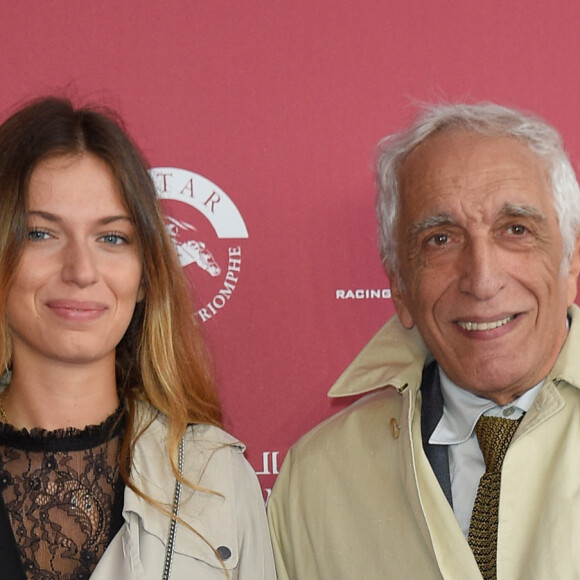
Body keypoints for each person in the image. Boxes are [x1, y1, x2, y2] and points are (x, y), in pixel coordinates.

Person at [268, 102, 580, 579]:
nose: (482, 279)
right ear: (399, 285)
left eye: (515, 230)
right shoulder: (316, 477)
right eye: (440, 239)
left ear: (571, 262)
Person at [0, 96, 276, 579]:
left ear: (146, 273)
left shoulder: (216, 477)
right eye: (42, 234)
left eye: (112, 238)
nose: (81, 271)